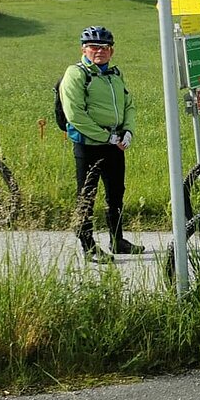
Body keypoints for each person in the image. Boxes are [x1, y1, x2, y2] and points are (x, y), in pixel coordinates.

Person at [60, 26, 143, 262]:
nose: (99, 51)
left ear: (111, 51)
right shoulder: (76, 74)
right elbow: (75, 114)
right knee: (87, 195)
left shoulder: (115, 74)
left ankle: (117, 240)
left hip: (115, 144)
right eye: (93, 47)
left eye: (105, 47)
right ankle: (88, 246)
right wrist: (105, 136)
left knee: (116, 193)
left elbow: (129, 105)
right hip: (89, 145)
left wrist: (128, 131)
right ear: (83, 49)